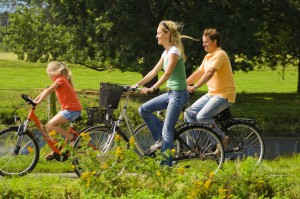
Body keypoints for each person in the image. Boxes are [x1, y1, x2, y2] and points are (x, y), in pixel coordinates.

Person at [133, 20, 194, 166]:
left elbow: (166, 74)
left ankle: (166, 166)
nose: (156, 36)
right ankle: (160, 140)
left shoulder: (174, 52)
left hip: (179, 95)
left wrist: (152, 88)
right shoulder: (165, 52)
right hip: (171, 94)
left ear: (167, 34)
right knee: (143, 109)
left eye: (159, 33)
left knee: (168, 131)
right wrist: (137, 84)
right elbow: (153, 71)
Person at [184, 28, 236, 152]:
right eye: (203, 42)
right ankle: (195, 147)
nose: (203, 44)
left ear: (215, 41)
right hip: (212, 94)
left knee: (202, 116)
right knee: (189, 114)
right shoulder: (208, 56)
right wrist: (181, 85)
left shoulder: (220, 55)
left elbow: (209, 72)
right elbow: (199, 72)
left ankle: (222, 139)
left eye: (206, 42)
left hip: (224, 95)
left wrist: (195, 87)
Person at [33, 61, 82, 160]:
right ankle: (58, 150)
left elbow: (48, 91)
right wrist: (34, 100)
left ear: (56, 72)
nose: (49, 76)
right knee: (49, 127)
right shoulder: (61, 79)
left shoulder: (61, 80)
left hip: (72, 110)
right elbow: (45, 90)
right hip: (69, 110)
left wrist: (37, 103)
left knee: (50, 125)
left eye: (49, 74)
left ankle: (72, 139)